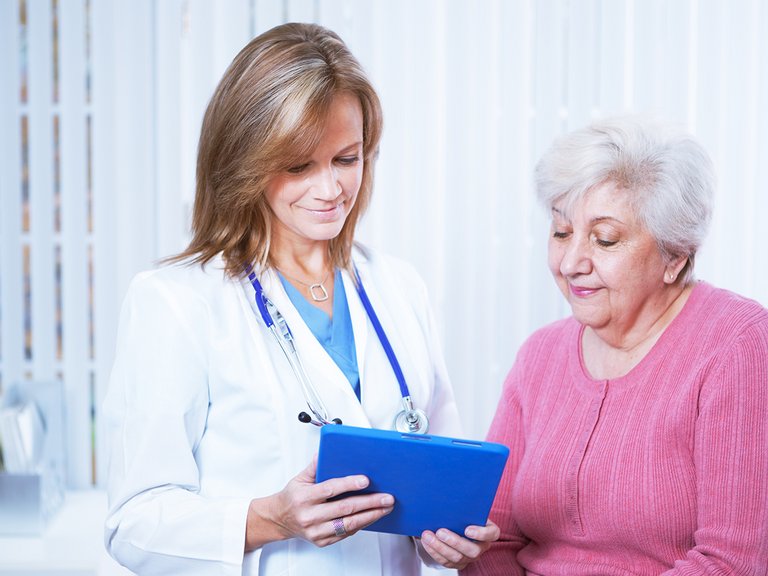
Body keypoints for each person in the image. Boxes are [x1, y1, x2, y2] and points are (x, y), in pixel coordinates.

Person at [103, 22, 498, 575]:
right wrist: (273, 519)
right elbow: (133, 522)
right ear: (245, 162)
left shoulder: (399, 288)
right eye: (298, 166)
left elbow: (438, 475)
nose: (330, 189)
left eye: (346, 159)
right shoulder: (177, 302)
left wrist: (445, 539)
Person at [462, 116, 768, 575]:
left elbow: (732, 563)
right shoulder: (539, 356)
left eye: (604, 239)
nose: (569, 263)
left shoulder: (736, 345)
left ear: (674, 256)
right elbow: (495, 538)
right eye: (561, 232)